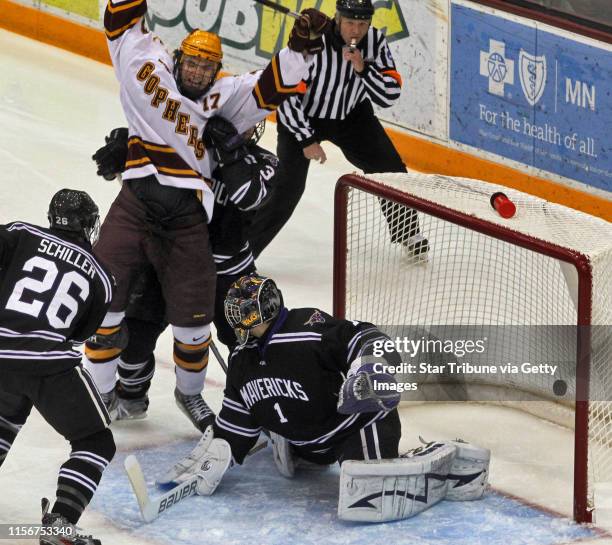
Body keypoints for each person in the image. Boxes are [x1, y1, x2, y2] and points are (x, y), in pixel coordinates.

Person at [85, 0, 331, 430]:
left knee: (196, 324)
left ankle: (194, 395)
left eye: (207, 67)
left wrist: (301, 45)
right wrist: (127, 146)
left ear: (216, 72)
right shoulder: (150, 72)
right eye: (193, 64)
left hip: (207, 245)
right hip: (137, 206)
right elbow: (121, 24)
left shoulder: (226, 103)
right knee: (108, 302)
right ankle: (107, 392)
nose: (198, 73)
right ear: (179, 60)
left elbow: (270, 87)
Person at [160, 274, 490, 522]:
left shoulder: (307, 326)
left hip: (353, 430)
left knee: (368, 489)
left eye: (241, 314)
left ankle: (432, 457)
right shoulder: (241, 361)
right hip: (303, 446)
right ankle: (291, 447)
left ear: (262, 310)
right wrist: (222, 448)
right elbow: (238, 420)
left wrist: (368, 364)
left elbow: (364, 336)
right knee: (295, 458)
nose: (234, 322)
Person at [89, 118, 279, 426]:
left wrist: (229, 153)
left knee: (249, 343)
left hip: (229, 270)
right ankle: (132, 393)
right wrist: (129, 147)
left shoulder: (264, 160)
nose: (242, 127)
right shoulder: (187, 145)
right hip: (170, 257)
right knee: (135, 338)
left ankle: (249, 408)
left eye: (247, 122)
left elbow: (249, 197)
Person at [248, 0, 428, 259]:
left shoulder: (375, 42)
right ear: (337, 19)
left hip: (351, 116)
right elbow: (285, 95)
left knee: (391, 170)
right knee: (287, 189)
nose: (356, 30)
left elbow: (390, 94)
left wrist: (362, 69)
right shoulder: (311, 41)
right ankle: (244, 253)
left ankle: (408, 233)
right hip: (304, 116)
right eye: (350, 23)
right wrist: (306, 140)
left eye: (363, 24)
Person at [0, 189, 115, 545]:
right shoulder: (101, 275)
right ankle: (61, 523)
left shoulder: (20, 232)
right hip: (49, 364)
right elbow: (81, 333)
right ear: (87, 225)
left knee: (4, 422)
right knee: (95, 441)